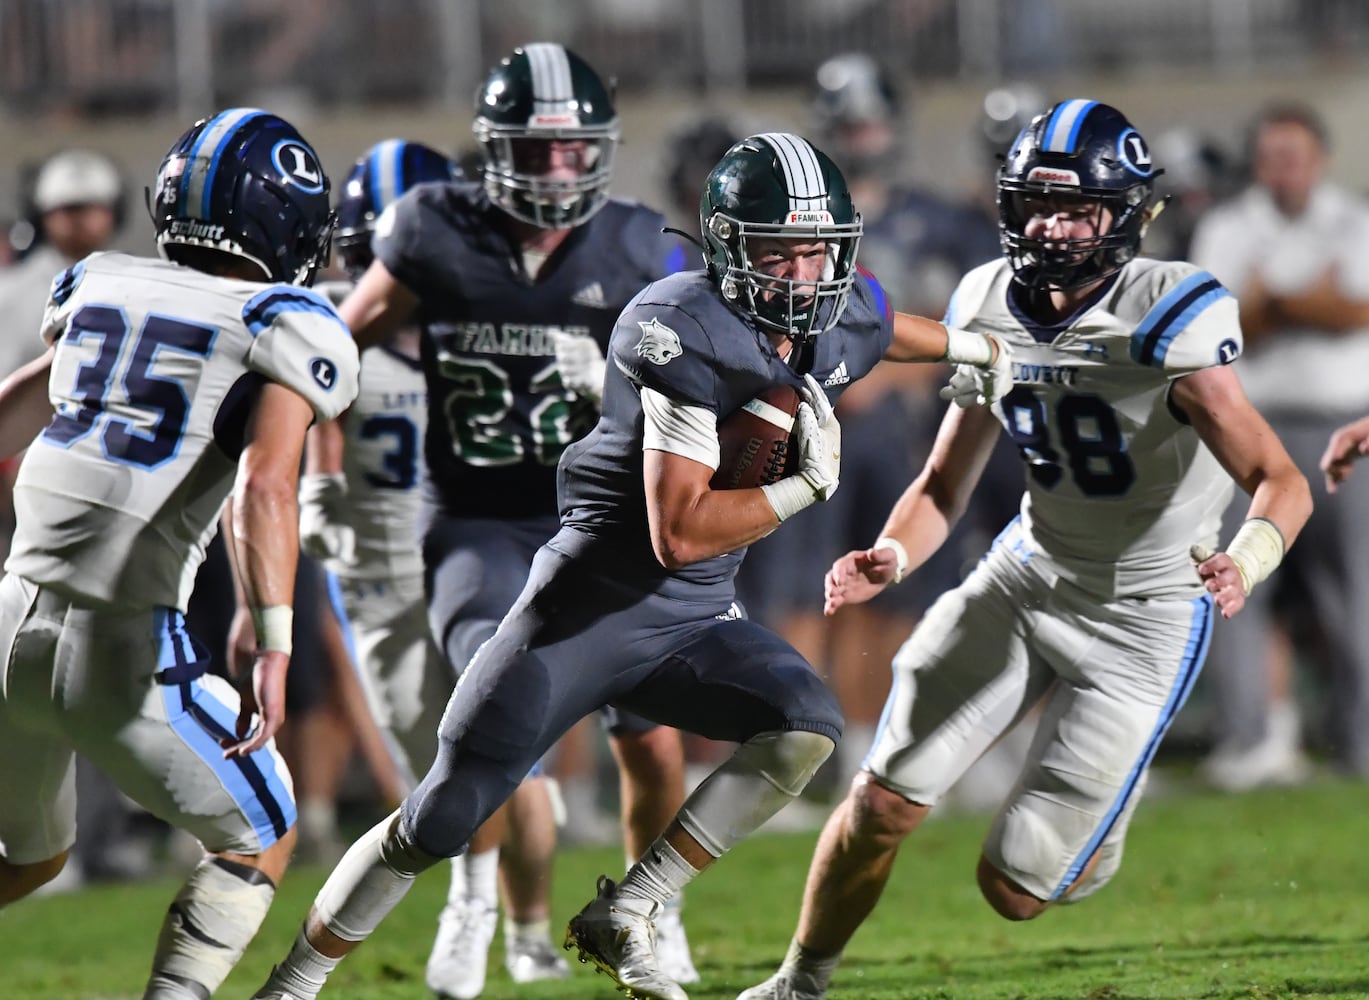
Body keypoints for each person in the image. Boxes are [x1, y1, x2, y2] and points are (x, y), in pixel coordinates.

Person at [251, 129, 1012, 1000]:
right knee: (442, 816)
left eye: (818, 251)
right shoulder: (676, 326)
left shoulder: (839, 310)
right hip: (584, 610)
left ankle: (632, 909)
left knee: (804, 725)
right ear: (728, 246)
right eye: (778, 253)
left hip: (692, 622)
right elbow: (678, 535)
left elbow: (888, 329)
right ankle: (293, 981)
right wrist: (806, 487)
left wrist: (986, 354)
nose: (802, 276)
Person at [737, 100, 1313, 1000]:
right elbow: (942, 484)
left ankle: (1096, 814)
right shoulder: (981, 301)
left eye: (1077, 209)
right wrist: (893, 552)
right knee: (882, 797)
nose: (1052, 228)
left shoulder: (1168, 313)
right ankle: (796, 983)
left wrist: (1244, 558)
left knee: (1012, 890)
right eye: (1037, 206)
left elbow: (1282, 479)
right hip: (1027, 571)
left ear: (1123, 215)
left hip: (1147, 610)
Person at [285, 44, 700, 998]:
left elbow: (727, 334)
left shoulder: (640, 243)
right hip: (477, 521)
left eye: (573, 150)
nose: (558, 169)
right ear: (495, 149)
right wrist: (310, 468)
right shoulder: (432, 229)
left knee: (649, 732)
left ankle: (653, 907)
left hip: (605, 523)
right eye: (538, 149)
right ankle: (475, 902)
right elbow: (327, 353)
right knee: (481, 714)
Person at [0, 108, 357, 1000]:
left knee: (34, 859)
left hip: (8, 618)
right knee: (265, 826)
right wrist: (270, 636)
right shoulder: (285, 317)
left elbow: (13, 410)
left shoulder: (98, 282)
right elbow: (267, 485)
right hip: (121, 642)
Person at [1190, 101, 1369, 788]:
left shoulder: (1353, 219)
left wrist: (1271, 304)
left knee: (1353, 593)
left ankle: (1359, 744)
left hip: (1345, 428)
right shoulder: (1227, 226)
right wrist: (1308, 304)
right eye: (1271, 157)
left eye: (1293, 156)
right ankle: (1248, 745)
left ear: (1318, 159)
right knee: (1236, 584)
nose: (1283, 170)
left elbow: (1357, 309)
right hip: (1250, 435)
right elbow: (1211, 332)